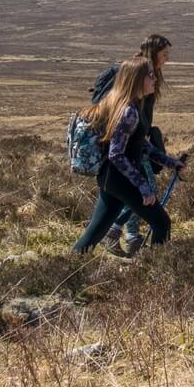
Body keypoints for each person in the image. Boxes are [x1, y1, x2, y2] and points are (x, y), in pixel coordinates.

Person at [71, 58, 182, 255]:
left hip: (111, 179)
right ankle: (158, 270)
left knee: (95, 233)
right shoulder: (129, 111)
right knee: (162, 223)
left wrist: (170, 163)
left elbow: (141, 145)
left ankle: (69, 270)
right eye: (150, 75)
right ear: (137, 79)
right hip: (121, 180)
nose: (154, 79)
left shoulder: (129, 105)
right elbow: (117, 154)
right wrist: (143, 186)